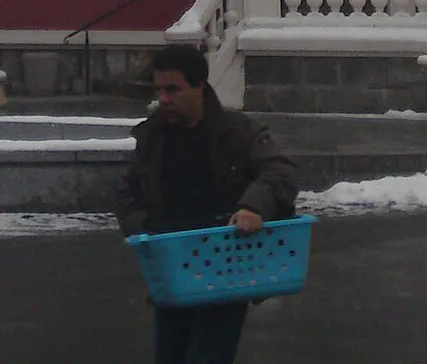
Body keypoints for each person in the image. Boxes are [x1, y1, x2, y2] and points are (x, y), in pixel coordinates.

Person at [119, 43, 300, 364]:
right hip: (171, 268)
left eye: (173, 89)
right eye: (158, 89)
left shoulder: (237, 132)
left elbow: (280, 170)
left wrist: (253, 208)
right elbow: (128, 193)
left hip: (224, 267)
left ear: (199, 85)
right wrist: (144, 231)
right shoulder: (153, 137)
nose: (163, 99)